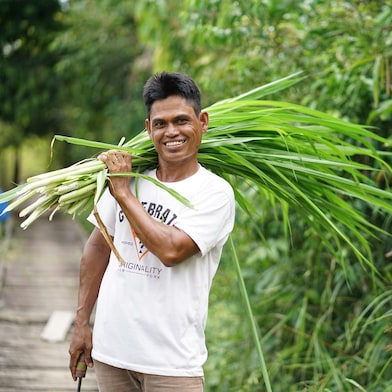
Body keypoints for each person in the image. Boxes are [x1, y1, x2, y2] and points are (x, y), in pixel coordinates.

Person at [69, 71, 235, 392]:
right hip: (111, 354)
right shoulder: (129, 178)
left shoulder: (213, 193)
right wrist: (81, 324)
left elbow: (172, 251)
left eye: (181, 121)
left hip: (171, 364)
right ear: (148, 129)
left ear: (202, 122)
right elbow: (97, 249)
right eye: (160, 124)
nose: (171, 132)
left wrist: (124, 194)